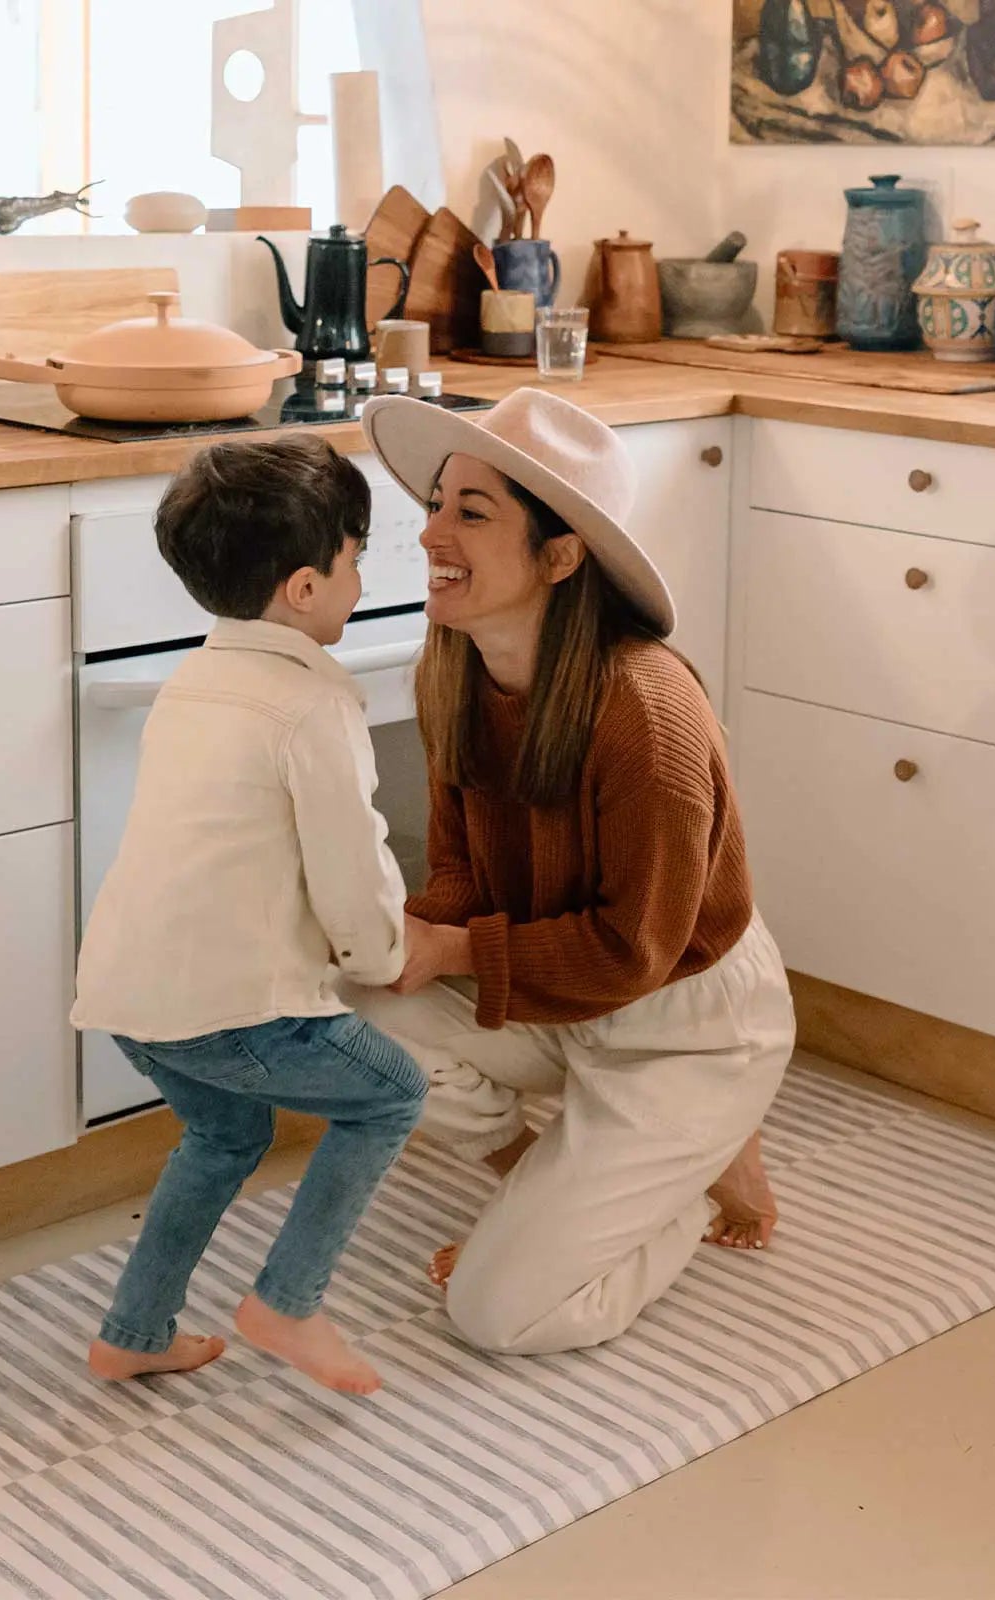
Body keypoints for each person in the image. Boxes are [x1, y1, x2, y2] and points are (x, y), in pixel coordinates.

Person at [350, 386, 796, 1358]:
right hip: (574, 1000)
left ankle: (688, 1170)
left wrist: (455, 946)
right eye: (435, 502)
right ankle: (566, 1176)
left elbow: (631, 950)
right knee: (344, 1004)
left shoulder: (646, 716)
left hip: (685, 1026)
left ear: (560, 555)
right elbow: (463, 862)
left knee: (497, 1312)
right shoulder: (460, 667)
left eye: (470, 513)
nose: (429, 534)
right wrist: (413, 939)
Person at [71, 435, 426, 1396]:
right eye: (357, 557)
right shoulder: (313, 705)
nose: (363, 575)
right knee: (391, 1093)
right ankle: (287, 1302)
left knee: (226, 1136)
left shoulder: (194, 679)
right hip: (236, 1006)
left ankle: (133, 1332)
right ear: (306, 588)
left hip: (121, 994)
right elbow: (353, 865)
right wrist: (382, 955)